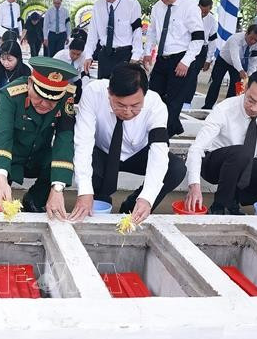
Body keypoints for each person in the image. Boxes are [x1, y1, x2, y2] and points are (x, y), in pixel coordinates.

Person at [70, 63, 186, 223]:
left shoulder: (155, 105)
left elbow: (159, 151)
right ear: (109, 93)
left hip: (136, 153)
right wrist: (84, 190)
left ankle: (134, 205)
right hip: (103, 153)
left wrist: (147, 198)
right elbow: (83, 140)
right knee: (87, 164)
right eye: (120, 105)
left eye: (135, 106)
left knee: (176, 169)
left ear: (145, 95)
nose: (128, 111)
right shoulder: (93, 92)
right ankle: (100, 198)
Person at [0, 57, 78, 217]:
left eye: (52, 102)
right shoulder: (11, 94)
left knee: (60, 163)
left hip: (35, 156)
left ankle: (34, 200)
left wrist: (57, 188)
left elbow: (64, 140)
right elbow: (2, 136)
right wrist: (1, 179)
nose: (45, 104)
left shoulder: (66, 97)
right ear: (30, 83)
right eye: (40, 97)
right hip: (1, 156)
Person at [185, 70, 257, 215]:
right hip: (213, 163)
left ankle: (234, 200)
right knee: (242, 153)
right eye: (250, 100)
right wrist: (194, 185)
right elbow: (196, 148)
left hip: (245, 164)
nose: (254, 108)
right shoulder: (225, 109)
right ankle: (219, 207)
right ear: (245, 89)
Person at [142, 0, 204, 137]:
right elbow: (152, 32)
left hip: (181, 58)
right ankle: (156, 129)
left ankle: (164, 137)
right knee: (153, 95)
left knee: (174, 102)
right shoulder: (157, 7)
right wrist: (147, 52)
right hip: (162, 58)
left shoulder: (190, 7)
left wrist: (186, 61)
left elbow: (198, 38)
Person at [83, 0, 143, 81]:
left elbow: (137, 32)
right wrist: (88, 55)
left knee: (122, 90)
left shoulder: (131, 4)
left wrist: (135, 57)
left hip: (124, 55)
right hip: (105, 54)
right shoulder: (98, 6)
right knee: (104, 88)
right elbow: (92, 33)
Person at [202, 25, 257, 109]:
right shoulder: (236, 38)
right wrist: (241, 70)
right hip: (224, 60)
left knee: (235, 86)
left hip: (239, 64)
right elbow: (235, 57)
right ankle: (207, 106)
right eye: (251, 38)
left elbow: (254, 60)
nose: (253, 41)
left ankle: (228, 108)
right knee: (216, 83)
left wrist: (250, 74)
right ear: (246, 34)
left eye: (256, 39)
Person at [184, 0, 217, 107]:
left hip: (202, 49)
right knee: (181, 72)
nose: (202, 13)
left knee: (193, 76)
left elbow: (212, 40)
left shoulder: (212, 20)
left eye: (205, 12)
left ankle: (187, 102)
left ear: (210, 9)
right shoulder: (191, 14)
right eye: (201, 10)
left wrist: (208, 59)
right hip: (187, 46)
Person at [53, 38, 86, 103]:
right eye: (73, 53)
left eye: (78, 54)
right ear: (69, 49)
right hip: (58, 78)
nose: (75, 56)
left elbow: (80, 71)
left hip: (74, 78)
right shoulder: (60, 56)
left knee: (79, 87)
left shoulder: (83, 56)